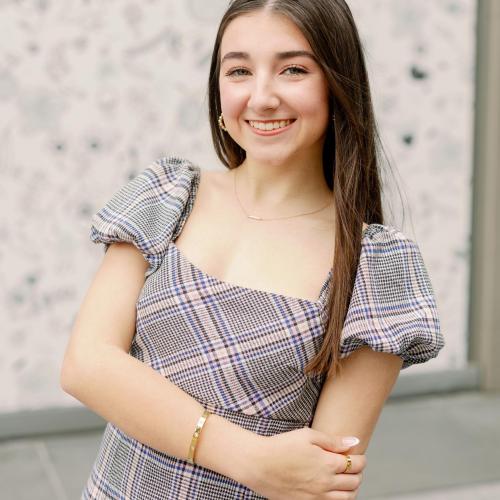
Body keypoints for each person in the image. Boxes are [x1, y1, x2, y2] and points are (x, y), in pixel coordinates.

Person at [60, 0, 445, 498]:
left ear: (337, 83)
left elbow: (319, 481)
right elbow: (86, 365)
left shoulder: (374, 266)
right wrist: (248, 457)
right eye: (239, 70)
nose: (262, 98)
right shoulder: (168, 194)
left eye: (293, 69)